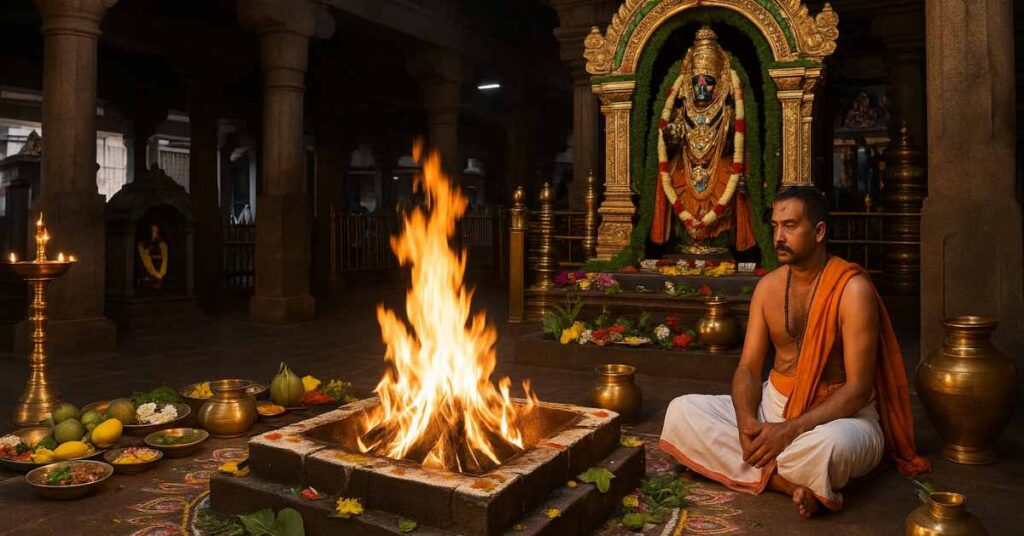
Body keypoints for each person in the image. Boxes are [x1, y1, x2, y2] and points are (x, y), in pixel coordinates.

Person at [659, 186, 929, 518]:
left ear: (819, 232)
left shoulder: (851, 290)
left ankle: (774, 468)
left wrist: (789, 430)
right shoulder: (768, 288)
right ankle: (789, 484)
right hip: (772, 408)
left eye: (790, 226)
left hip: (838, 419)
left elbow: (858, 389)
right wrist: (746, 425)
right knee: (681, 411)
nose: (778, 237)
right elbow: (747, 369)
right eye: (774, 226)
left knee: (828, 449)